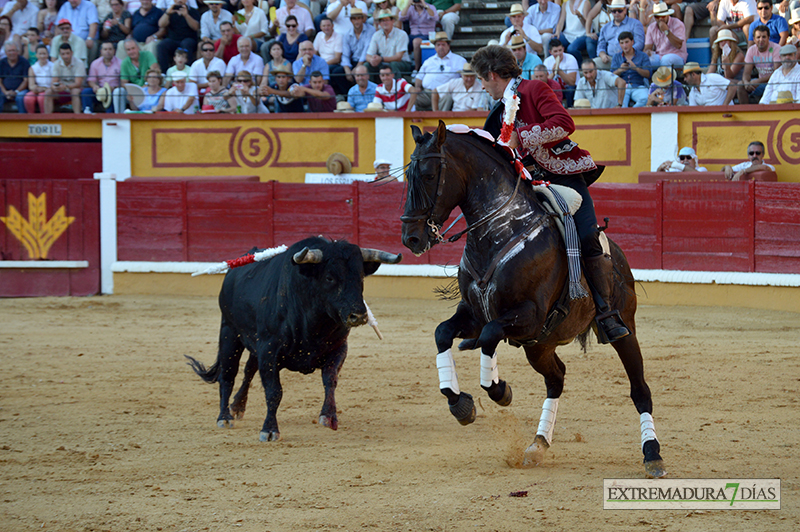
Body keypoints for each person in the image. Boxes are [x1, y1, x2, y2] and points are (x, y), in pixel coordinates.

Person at [471, 43, 631, 343]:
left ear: (492, 75)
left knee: (586, 236)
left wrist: (525, 136)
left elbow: (564, 123)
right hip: (528, 183)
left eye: (482, 80)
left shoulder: (534, 89)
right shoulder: (498, 112)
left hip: (563, 175)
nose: (482, 86)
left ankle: (606, 313)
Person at [412, 31, 465, 111]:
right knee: (410, 97)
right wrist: (417, 87)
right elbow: (419, 77)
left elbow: (465, 77)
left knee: (448, 97)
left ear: (448, 46)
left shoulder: (459, 60)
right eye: (438, 45)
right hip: (427, 93)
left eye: (443, 45)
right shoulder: (428, 61)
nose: (441, 47)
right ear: (435, 47)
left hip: (446, 93)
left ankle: (440, 120)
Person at [331, 7, 374, 95]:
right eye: (354, 18)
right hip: (353, 61)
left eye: (359, 18)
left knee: (365, 68)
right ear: (351, 20)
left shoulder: (370, 30)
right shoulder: (347, 34)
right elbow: (345, 54)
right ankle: (348, 95)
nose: (357, 21)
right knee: (337, 72)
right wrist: (347, 69)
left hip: (366, 61)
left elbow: (367, 50)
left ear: (362, 19)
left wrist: (357, 68)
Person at [596, 0, 646, 70]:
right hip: (610, 59)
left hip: (629, 59)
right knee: (591, 66)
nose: (616, 13)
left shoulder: (635, 24)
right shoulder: (605, 27)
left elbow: (640, 43)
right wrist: (602, 54)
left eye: (619, 10)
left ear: (625, 10)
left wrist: (626, 53)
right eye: (614, 11)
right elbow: (600, 46)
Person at [365, 9, 411, 83]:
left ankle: (396, 91)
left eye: (387, 20)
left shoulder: (402, 34)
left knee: (393, 65)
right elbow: (368, 55)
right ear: (379, 23)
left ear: (393, 21)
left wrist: (381, 59)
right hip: (383, 62)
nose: (385, 22)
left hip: (402, 63)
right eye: (382, 21)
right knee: (367, 65)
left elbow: (398, 57)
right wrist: (372, 60)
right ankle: (370, 92)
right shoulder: (376, 35)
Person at [112, 37, 158, 111]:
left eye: (133, 48)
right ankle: (119, 116)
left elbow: (155, 71)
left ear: (138, 48)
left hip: (149, 88)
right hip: (134, 92)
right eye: (128, 50)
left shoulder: (148, 55)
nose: (131, 51)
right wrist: (132, 91)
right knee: (118, 91)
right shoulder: (125, 63)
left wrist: (147, 85)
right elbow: (124, 82)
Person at [156, 0, 199, 72]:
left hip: (188, 39)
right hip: (173, 40)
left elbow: (196, 27)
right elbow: (161, 24)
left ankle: (187, 71)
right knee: (161, 45)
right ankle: (165, 72)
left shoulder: (192, 11)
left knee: (186, 44)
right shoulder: (170, 11)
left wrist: (186, 15)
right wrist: (168, 13)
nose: (179, 0)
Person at [612, 30, 651, 106]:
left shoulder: (642, 56)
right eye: (622, 43)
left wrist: (636, 68)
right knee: (621, 105)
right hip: (622, 87)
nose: (624, 45)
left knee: (645, 98)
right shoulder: (616, 57)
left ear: (632, 42)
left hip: (638, 85)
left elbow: (648, 74)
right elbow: (611, 75)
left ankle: (633, 113)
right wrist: (620, 70)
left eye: (627, 42)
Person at [742, 25, 780, 103]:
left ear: (768, 38)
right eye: (758, 37)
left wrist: (758, 81)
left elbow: (777, 74)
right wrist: (746, 82)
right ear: (754, 39)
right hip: (760, 83)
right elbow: (746, 73)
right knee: (740, 86)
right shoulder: (751, 50)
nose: (761, 40)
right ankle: (747, 113)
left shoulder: (776, 48)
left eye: (764, 37)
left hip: (774, 83)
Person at [644, 1, 687, 68]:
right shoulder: (651, 27)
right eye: (657, 17)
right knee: (646, 60)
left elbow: (678, 45)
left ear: (668, 15)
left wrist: (666, 31)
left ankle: (668, 79)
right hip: (659, 55)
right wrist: (647, 52)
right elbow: (647, 47)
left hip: (677, 56)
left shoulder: (678, 23)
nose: (660, 19)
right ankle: (646, 79)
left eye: (663, 16)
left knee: (666, 60)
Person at [45, 42, 85, 113]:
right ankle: (47, 118)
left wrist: (65, 86)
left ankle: (78, 117)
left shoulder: (79, 63)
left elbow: (78, 83)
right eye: (63, 54)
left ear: (72, 53)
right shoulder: (56, 64)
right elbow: (54, 82)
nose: (66, 56)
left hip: (76, 89)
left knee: (74, 91)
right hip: (62, 89)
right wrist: (55, 87)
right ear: (60, 55)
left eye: (67, 53)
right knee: (48, 92)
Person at [81, 40, 120, 111]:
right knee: (86, 92)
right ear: (101, 51)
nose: (108, 51)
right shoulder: (95, 63)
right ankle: (88, 114)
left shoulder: (120, 63)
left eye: (110, 49)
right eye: (105, 49)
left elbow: (124, 81)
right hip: (100, 90)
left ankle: (110, 118)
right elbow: (91, 80)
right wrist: (94, 86)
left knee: (113, 95)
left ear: (114, 51)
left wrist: (114, 88)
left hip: (114, 90)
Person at [400, 0, 438, 70]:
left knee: (416, 41)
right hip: (413, 34)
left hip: (427, 34)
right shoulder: (410, 8)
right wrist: (408, 5)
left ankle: (416, 69)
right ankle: (404, 66)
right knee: (401, 39)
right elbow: (401, 17)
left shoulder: (431, 7)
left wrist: (425, 6)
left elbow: (435, 17)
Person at [543, 38, 578, 106]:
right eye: (555, 51)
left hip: (569, 88)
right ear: (550, 52)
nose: (558, 53)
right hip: (555, 89)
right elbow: (545, 82)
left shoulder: (570, 59)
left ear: (563, 49)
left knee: (570, 90)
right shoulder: (547, 61)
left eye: (560, 50)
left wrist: (559, 71)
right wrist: (553, 73)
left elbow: (572, 82)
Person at [555, 0, 590, 65]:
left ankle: (580, 66)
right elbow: (561, 22)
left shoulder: (585, 3)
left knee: (571, 49)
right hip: (567, 34)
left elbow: (587, 25)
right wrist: (557, 32)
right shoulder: (565, 4)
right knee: (553, 41)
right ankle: (552, 66)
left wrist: (580, 16)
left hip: (582, 35)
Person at [23, 43, 52, 112]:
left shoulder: (53, 66)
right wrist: (38, 89)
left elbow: (55, 83)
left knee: (42, 97)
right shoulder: (32, 68)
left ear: (48, 54)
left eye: (44, 53)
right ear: (36, 55)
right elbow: (31, 86)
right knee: (28, 98)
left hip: (49, 90)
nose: (42, 56)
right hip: (37, 89)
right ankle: (30, 118)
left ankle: (44, 119)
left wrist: (44, 89)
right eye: (40, 54)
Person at [0, 40, 28, 111]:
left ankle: (23, 120)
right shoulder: (2, 63)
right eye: (9, 51)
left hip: (20, 91)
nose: (12, 53)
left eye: (14, 50)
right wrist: (5, 92)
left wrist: (16, 92)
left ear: (18, 51)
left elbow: (26, 80)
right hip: (4, 91)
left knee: (20, 97)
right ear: (6, 53)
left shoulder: (24, 62)